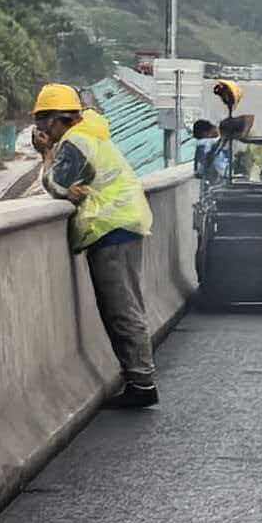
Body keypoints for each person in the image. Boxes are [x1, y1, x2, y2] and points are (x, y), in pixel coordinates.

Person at [24, 80, 159, 408]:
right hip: (124, 223)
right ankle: (138, 378)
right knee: (127, 306)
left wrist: (45, 155)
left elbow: (56, 183)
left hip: (109, 227)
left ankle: (141, 383)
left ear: (58, 119)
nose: (40, 129)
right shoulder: (93, 135)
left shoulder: (76, 141)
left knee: (120, 309)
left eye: (43, 122)